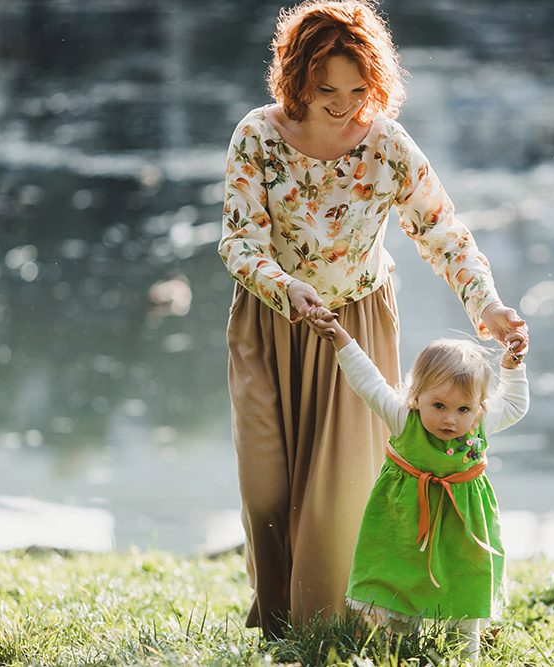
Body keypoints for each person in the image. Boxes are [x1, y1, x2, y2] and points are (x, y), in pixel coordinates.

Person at [218, 0, 528, 637]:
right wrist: (286, 288)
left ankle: (326, 629)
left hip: (352, 327)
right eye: (326, 88)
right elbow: (238, 242)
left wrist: (487, 305)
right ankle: (275, 614)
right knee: (265, 489)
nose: (343, 103)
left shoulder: (385, 142)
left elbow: (443, 232)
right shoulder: (257, 135)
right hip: (270, 323)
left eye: (359, 89)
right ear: (296, 77)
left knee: (334, 495)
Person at [310, 308, 528, 656]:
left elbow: (515, 405)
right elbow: (368, 381)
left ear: (479, 406)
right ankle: (397, 647)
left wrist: (512, 367)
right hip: (405, 523)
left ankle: (463, 653)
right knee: (400, 581)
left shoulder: (481, 422)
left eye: (463, 410)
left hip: (464, 528)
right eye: (438, 405)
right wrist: (340, 338)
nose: (449, 419)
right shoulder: (402, 417)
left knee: (466, 584)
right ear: (416, 396)